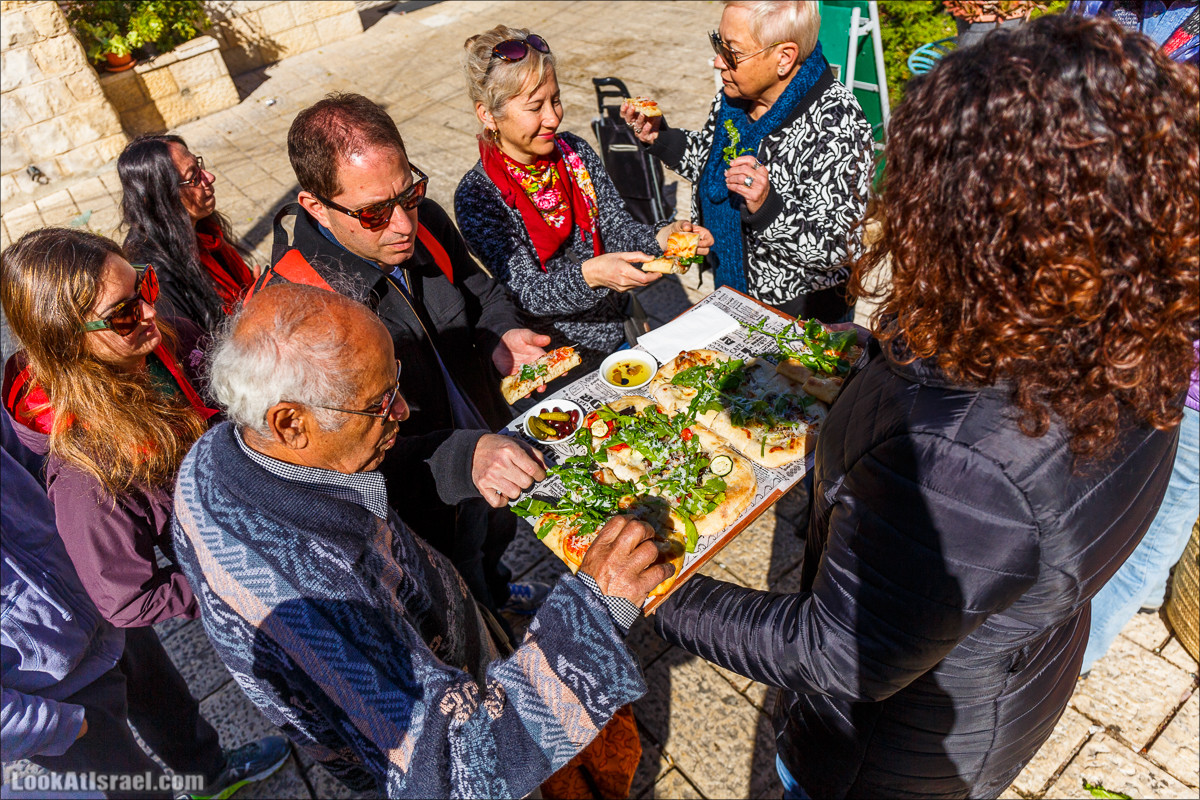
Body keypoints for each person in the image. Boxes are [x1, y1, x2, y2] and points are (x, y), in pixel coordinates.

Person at [650, 14, 1198, 799]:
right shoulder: (1132, 315)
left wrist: (657, 589)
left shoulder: (963, 466)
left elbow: (841, 653)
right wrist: (874, 357)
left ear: (972, 216)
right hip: (1011, 671)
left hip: (891, 758)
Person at [173, 282, 672, 797]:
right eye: (379, 405)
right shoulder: (316, 599)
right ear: (291, 422)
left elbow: (350, 484)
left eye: (395, 387)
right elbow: (455, 768)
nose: (403, 412)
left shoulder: (221, 449)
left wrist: (461, 458)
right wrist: (593, 613)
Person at [1, 228, 290, 799]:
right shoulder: (89, 476)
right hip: (40, 663)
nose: (151, 311)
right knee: (130, 783)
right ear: (66, 339)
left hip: (82, 591)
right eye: (126, 311)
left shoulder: (148, 345)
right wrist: (218, 582)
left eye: (145, 285)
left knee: (160, 693)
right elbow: (129, 593)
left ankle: (210, 774)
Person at [253, 92, 551, 616]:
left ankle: (501, 593)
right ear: (316, 207)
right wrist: (462, 457)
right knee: (462, 598)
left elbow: (479, 291)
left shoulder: (427, 221)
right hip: (425, 508)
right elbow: (338, 463)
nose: (403, 226)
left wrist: (501, 335)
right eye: (372, 213)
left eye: (408, 195)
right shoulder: (299, 311)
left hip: (490, 438)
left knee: (495, 543)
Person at [455, 26, 714, 378]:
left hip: (624, 331)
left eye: (556, 99)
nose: (553, 117)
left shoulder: (572, 151)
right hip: (561, 359)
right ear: (487, 114)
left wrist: (661, 237)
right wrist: (592, 275)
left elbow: (615, 226)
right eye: (535, 107)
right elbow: (527, 292)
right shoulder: (479, 196)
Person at [1071, 0, 1199, 675]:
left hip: (1188, 354)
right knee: (1097, 486)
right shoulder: (1100, 6)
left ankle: (1074, 659)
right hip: (1101, 307)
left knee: (1164, 505)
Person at [622, 0, 874, 323]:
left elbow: (842, 245)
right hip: (732, 294)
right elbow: (714, 163)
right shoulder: (734, 98)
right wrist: (662, 139)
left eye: (732, 53)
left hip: (801, 317)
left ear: (784, 57)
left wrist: (769, 208)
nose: (717, 62)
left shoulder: (839, 123)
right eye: (718, 43)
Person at [119, 135, 257, 333]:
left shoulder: (201, 228)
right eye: (193, 177)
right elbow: (196, 348)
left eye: (198, 166)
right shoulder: (157, 277)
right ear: (162, 195)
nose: (209, 177)